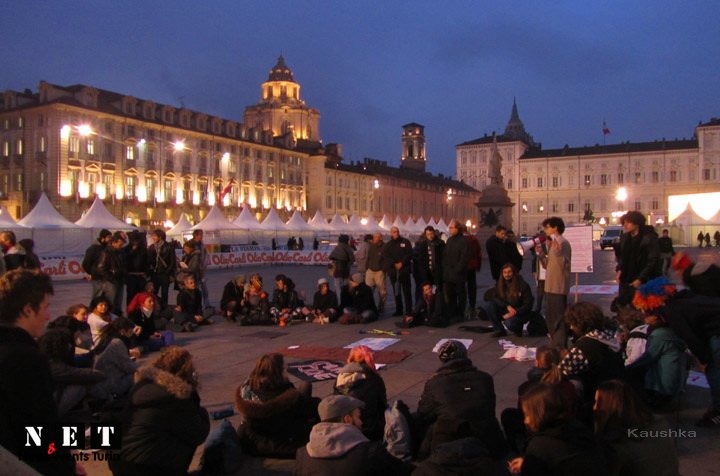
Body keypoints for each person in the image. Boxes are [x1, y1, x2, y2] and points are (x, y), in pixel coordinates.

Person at [0, 270, 75, 475]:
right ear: (27, 310)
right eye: (45, 307)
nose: (48, 315)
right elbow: (39, 430)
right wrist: (65, 466)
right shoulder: (24, 358)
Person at [632, 277, 720, 426]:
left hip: (717, 333)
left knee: (715, 373)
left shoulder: (672, 310)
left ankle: (718, 413)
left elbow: (690, 337)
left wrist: (703, 360)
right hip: (715, 329)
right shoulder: (681, 298)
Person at [110, 346, 210, 476]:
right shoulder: (177, 396)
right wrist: (199, 409)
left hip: (120, 462)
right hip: (148, 467)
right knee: (184, 436)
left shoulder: (142, 386)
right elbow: (199, 433)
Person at [415, 340, 506, 461]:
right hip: (488, 438)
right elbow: (489, 407)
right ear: (465, 355)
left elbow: (423, 413)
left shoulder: (435, 383)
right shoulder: (485, 378)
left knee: (419, 419)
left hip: (450, 440)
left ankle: (421, 456)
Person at [295, 395, 413, 476]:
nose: (361, 422)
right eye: (358, 417)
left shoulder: (303, 455)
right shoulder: (371, 453)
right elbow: (406, 471)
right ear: (347, 419)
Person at [508, 384, 608, 475]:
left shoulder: (539, 446)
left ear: (539, 415)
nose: (526, 421)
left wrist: (528, 465)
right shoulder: (577, 428)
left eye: (527, 415)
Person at [235, 353, 319, 457]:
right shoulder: (285, 398)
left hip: (259, 435)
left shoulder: (247, 392)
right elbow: (309, 408)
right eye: (284, 368)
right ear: (278, 372)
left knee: (305, 387)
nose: (287, 370)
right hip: (282, 438)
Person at [594, 380, 680, 476]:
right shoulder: (659, 422)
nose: (594, 407)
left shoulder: (617, 443)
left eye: (597, 402)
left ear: (607, 407)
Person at [559, 302, 625, 408]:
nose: (571, 327)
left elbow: (561, 372)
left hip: (595, 396)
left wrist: (564, 358)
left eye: (573, 323)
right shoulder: (607, 337)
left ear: (581, 324)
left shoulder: (583, 347)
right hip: (616, 390)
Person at [625, 307, 688, 411]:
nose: (645, 316)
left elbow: (648, 357)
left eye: (649, 314)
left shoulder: (659, 335)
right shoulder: (671, 332)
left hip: (662, 387)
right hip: (673, 384)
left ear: (658, 318)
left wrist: (626, 369)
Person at [37, 328, 107, 418]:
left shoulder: (44, 361)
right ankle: (107, 403)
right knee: (85, 383)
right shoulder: (56, 367)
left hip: (46, 406)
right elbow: (96, 375)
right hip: (50, 410)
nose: (70, 346)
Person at [334, 345, 388, 441]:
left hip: (346, 427)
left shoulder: (340, 378)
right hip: (372, 430)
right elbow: (382, 405)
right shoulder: (374, 379)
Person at [537, 216, 572, 348]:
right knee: (550, 316)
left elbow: (565, 264)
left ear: (555, 228)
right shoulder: (553, 244)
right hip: (550, 285)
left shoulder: (563, 243)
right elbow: (548, 265)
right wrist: (541, 255)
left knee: (558, 317)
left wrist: (557, 253)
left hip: (558, 286)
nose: (545, 230)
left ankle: (560, 345)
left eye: (547, 227)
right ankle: (554, 342)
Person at [616, 211, 661, 307]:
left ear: (637, 223)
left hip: (643, 280)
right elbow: (622, 257)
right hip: (625, 280)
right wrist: (619, 269)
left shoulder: (649, 238)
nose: (625, 225)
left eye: (628, 222)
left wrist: (640, 278)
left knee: (641, 308)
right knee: (624, 308)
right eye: (624, 222)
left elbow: (653, 261)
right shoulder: (625, 238)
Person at [93, 317, 140, 398]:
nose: (131, 334)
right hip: (111, 385)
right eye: (130, 332)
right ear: (122, 331)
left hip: (101, 383)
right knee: (139, 374)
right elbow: (129, 367)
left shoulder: (106, 339)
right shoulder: (117, 343)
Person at [487, 263, 534, 337]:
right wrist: (507, 306)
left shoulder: (523, 285)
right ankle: (499, 330)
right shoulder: (500, 284)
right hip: (507, 308)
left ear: (514, 273)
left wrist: (515, 312)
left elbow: (528, 304)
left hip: (520, 312)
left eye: (509, 272)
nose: (507, 275)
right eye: (504, 272)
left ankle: (518, 329)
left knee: (510, 323)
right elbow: (495, 297)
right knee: (490, 305)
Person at [382, 226, 413, 316]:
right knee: (396, 292)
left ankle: (409, 310)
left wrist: (402, 263)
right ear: (391, 233)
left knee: (407, 291)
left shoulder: (405, 242)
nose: (396, 233)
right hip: (393, 272)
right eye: (394, 232)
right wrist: (394, 264)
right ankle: (399, 309)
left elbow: (409, 254)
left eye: (397, 231)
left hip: (404, 271)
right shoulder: (388, 245)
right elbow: (386, 256)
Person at [94, 231, 127, 316]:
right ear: (115, 242)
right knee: (111, 303)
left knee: (118, 304)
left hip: (119, 280)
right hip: (110, 282)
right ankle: (110, 319)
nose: (122, 245)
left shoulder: (121, 252)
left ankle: (118, 319)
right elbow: (101, 268)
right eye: (121, 243)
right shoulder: (106, 252)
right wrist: (111, 278)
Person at [442, 220, 469, 322]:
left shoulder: (464, 240)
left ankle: (460, 313)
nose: (450, 229)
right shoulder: (449, 240)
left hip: (458, 274)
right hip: (449, 273)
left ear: (458, 229)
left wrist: (458, 269)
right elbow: (445, 255)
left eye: (452, 228)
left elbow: (464, 257)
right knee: (450, 294)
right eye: (450, 228)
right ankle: (452, 312)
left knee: (461, 294)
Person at [147, 228, 177, 309]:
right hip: (155, 273)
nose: (153, 238)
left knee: (164, 293)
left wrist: (167, 272)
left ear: (160, 237)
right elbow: (149, 260)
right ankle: (155, 308)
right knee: (153, 292)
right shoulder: (152, 247)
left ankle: (164, 310)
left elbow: (172, 261)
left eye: (154, 236)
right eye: (152, 236)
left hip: (164, 274)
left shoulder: (169, 247)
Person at [124, 230, 148, 308]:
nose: (135, 242)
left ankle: (139, 312)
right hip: (131, 276)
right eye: (134, 240)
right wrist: (132, 252)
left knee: (141, 295)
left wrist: (146, 273)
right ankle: (130, 311)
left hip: (141, 275)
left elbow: (147, 261)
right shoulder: (126, 249)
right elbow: (125, 260)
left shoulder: (143, 249)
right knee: (131, 295)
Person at [364, 232, 387, 313]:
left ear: (380, 238)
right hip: (370, 270)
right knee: (368, 290)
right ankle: (367, 306)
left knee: (382, 291)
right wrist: (366, 268)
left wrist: (383, 269)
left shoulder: (384, 247)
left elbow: (386, 259)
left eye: (376, 237)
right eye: (374, 237)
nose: (374, 238)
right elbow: (368, 257)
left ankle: (381, 307)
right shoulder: (371, 246)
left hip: (379, 271)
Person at [187, 229, 209, 308]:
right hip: (193, 271)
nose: (202, 236)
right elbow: (187, 255)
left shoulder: (201, 244)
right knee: (196, 290)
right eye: (200, 234)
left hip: (201, 270)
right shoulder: (190, 243)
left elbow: (205, 254)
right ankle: (197, 306)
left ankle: (207, 305)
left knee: (204, 289)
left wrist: (204, 265)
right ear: (195, 235)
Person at [464, 226, 482, 319]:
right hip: (472, 266)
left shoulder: (459, 239)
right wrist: (478, 265)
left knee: (462, 288)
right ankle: (472, 306)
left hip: (462, 267)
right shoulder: (473, 238)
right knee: (472, 287)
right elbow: (479, 253)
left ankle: (463, 307)